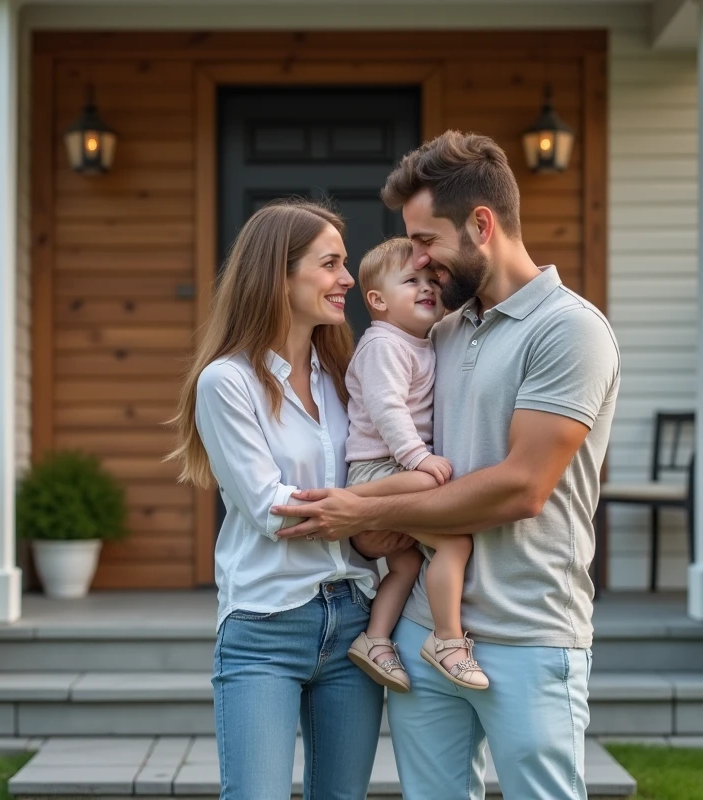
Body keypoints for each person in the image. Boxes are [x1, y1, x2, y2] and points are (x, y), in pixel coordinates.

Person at [271, 131, 622, 800]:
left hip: (529, 633)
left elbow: (522, 488)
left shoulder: (569, 330)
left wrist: (363, 510)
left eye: (427, 240)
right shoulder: (440, 330)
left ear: (481, 225)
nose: (419, 259)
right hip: (424, 635)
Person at [168, 199, 383, 800]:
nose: (348, 279)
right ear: (278, 276)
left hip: (356, 620)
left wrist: (365, 505)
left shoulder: (346, 374)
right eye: (330, 264)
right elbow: (272, 509)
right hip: (266, 624)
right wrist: (374, 510)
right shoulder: (227, 382)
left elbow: (378, 472)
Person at [342, 236, 488, 693]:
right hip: (381, 467)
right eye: (411, 281)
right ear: (377, 301)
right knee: (453, 541)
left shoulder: (422, 341)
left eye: (431, 279)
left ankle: (375, 638)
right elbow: (386, 408)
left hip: (395, 470)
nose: (427, 287)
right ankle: (447, 640)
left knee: (405, 565)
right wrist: (417, 458)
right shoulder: (384, 344)